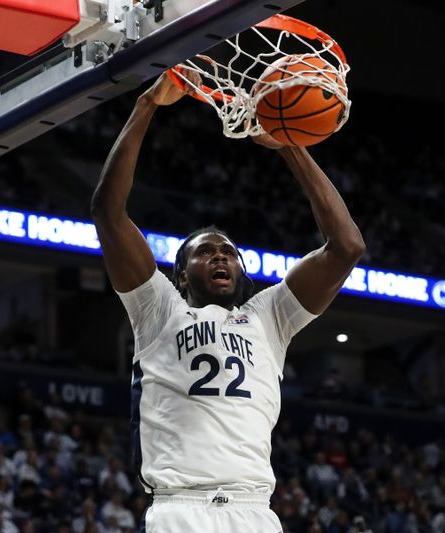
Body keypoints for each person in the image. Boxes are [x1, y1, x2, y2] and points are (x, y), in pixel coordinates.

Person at [91, 72, 364, 533]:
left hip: (255, 510)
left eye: (229, 252)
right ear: (181, 274)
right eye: (205, 251)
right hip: (182, 509)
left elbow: (347, 246)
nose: (220, 256)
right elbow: (108, 213)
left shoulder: (269, 316)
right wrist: (147, 105)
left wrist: (288, 145)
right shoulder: (159, 308)